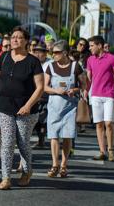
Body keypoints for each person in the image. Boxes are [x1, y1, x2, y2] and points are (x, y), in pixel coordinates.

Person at [0, 27, 44, 190]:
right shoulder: (4, 56)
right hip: (5, 106)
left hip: (26, 109)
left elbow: (40, 87)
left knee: (23, 142)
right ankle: (6, 178)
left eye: (19, 37)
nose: (15, 40)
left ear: (26, 41)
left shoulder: (33, 61)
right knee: (7, 142)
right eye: (13, 37)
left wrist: (28, 106)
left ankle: (27, 171)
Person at [44, 40, 86, 178]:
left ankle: (64, 165)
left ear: (65, 53)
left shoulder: (76, 67)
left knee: (67, 136)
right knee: (54, 136)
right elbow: (44, 87)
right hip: (54, 106)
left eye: (56, 52)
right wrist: (56, 90)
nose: (53, 54)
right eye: (53, 52)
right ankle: (55, 164)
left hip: (70, 107)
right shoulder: (50, 66)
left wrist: (74, 89)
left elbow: (84, 85)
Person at [86, 35, 114, 162]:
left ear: (99, 45)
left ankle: (111, 150)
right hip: (95, 95)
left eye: (91, 46)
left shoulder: (112, 58)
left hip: (109, 95)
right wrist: (86, 90)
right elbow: (89, 78)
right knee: (99, 124)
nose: (89, 48)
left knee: (109, 123)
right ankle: (102, 151)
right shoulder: (90, 59)